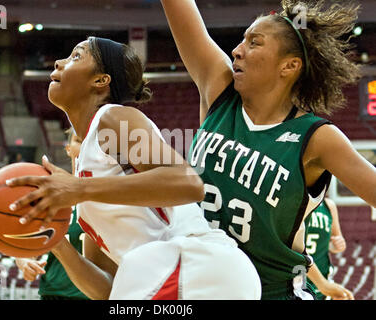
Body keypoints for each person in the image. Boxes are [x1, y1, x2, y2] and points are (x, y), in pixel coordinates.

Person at [6, 36, 261, 300]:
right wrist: (57, 243)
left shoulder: (113, 118)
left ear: (100, 80)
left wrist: (79, 189)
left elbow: (188, 183)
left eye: (76, 56)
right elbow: (108, 289)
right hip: (165, 277)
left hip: (193, 266)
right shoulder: (86, 195)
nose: (59, 62)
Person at [159, 0, 376, 300]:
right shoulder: (219, 90)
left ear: (289, 66)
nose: (237, 50)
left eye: (254, 42)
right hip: (200, 289)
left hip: (273, 293)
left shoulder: (317, 137)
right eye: (242, 40)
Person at [15, 130, 89, 300]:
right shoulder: (53, 194)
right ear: (69, 148)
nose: (86, 145)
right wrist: (25, 261)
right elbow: (26, 244)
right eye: (79, 140)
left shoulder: (113, 196)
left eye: (91, 141)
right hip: (54, 294)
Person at [305, 197, 354, 300]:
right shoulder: (294, 200)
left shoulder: (329, 205)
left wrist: (337, 245)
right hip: (297, 278)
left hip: (323, 282)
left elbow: (334, 243)